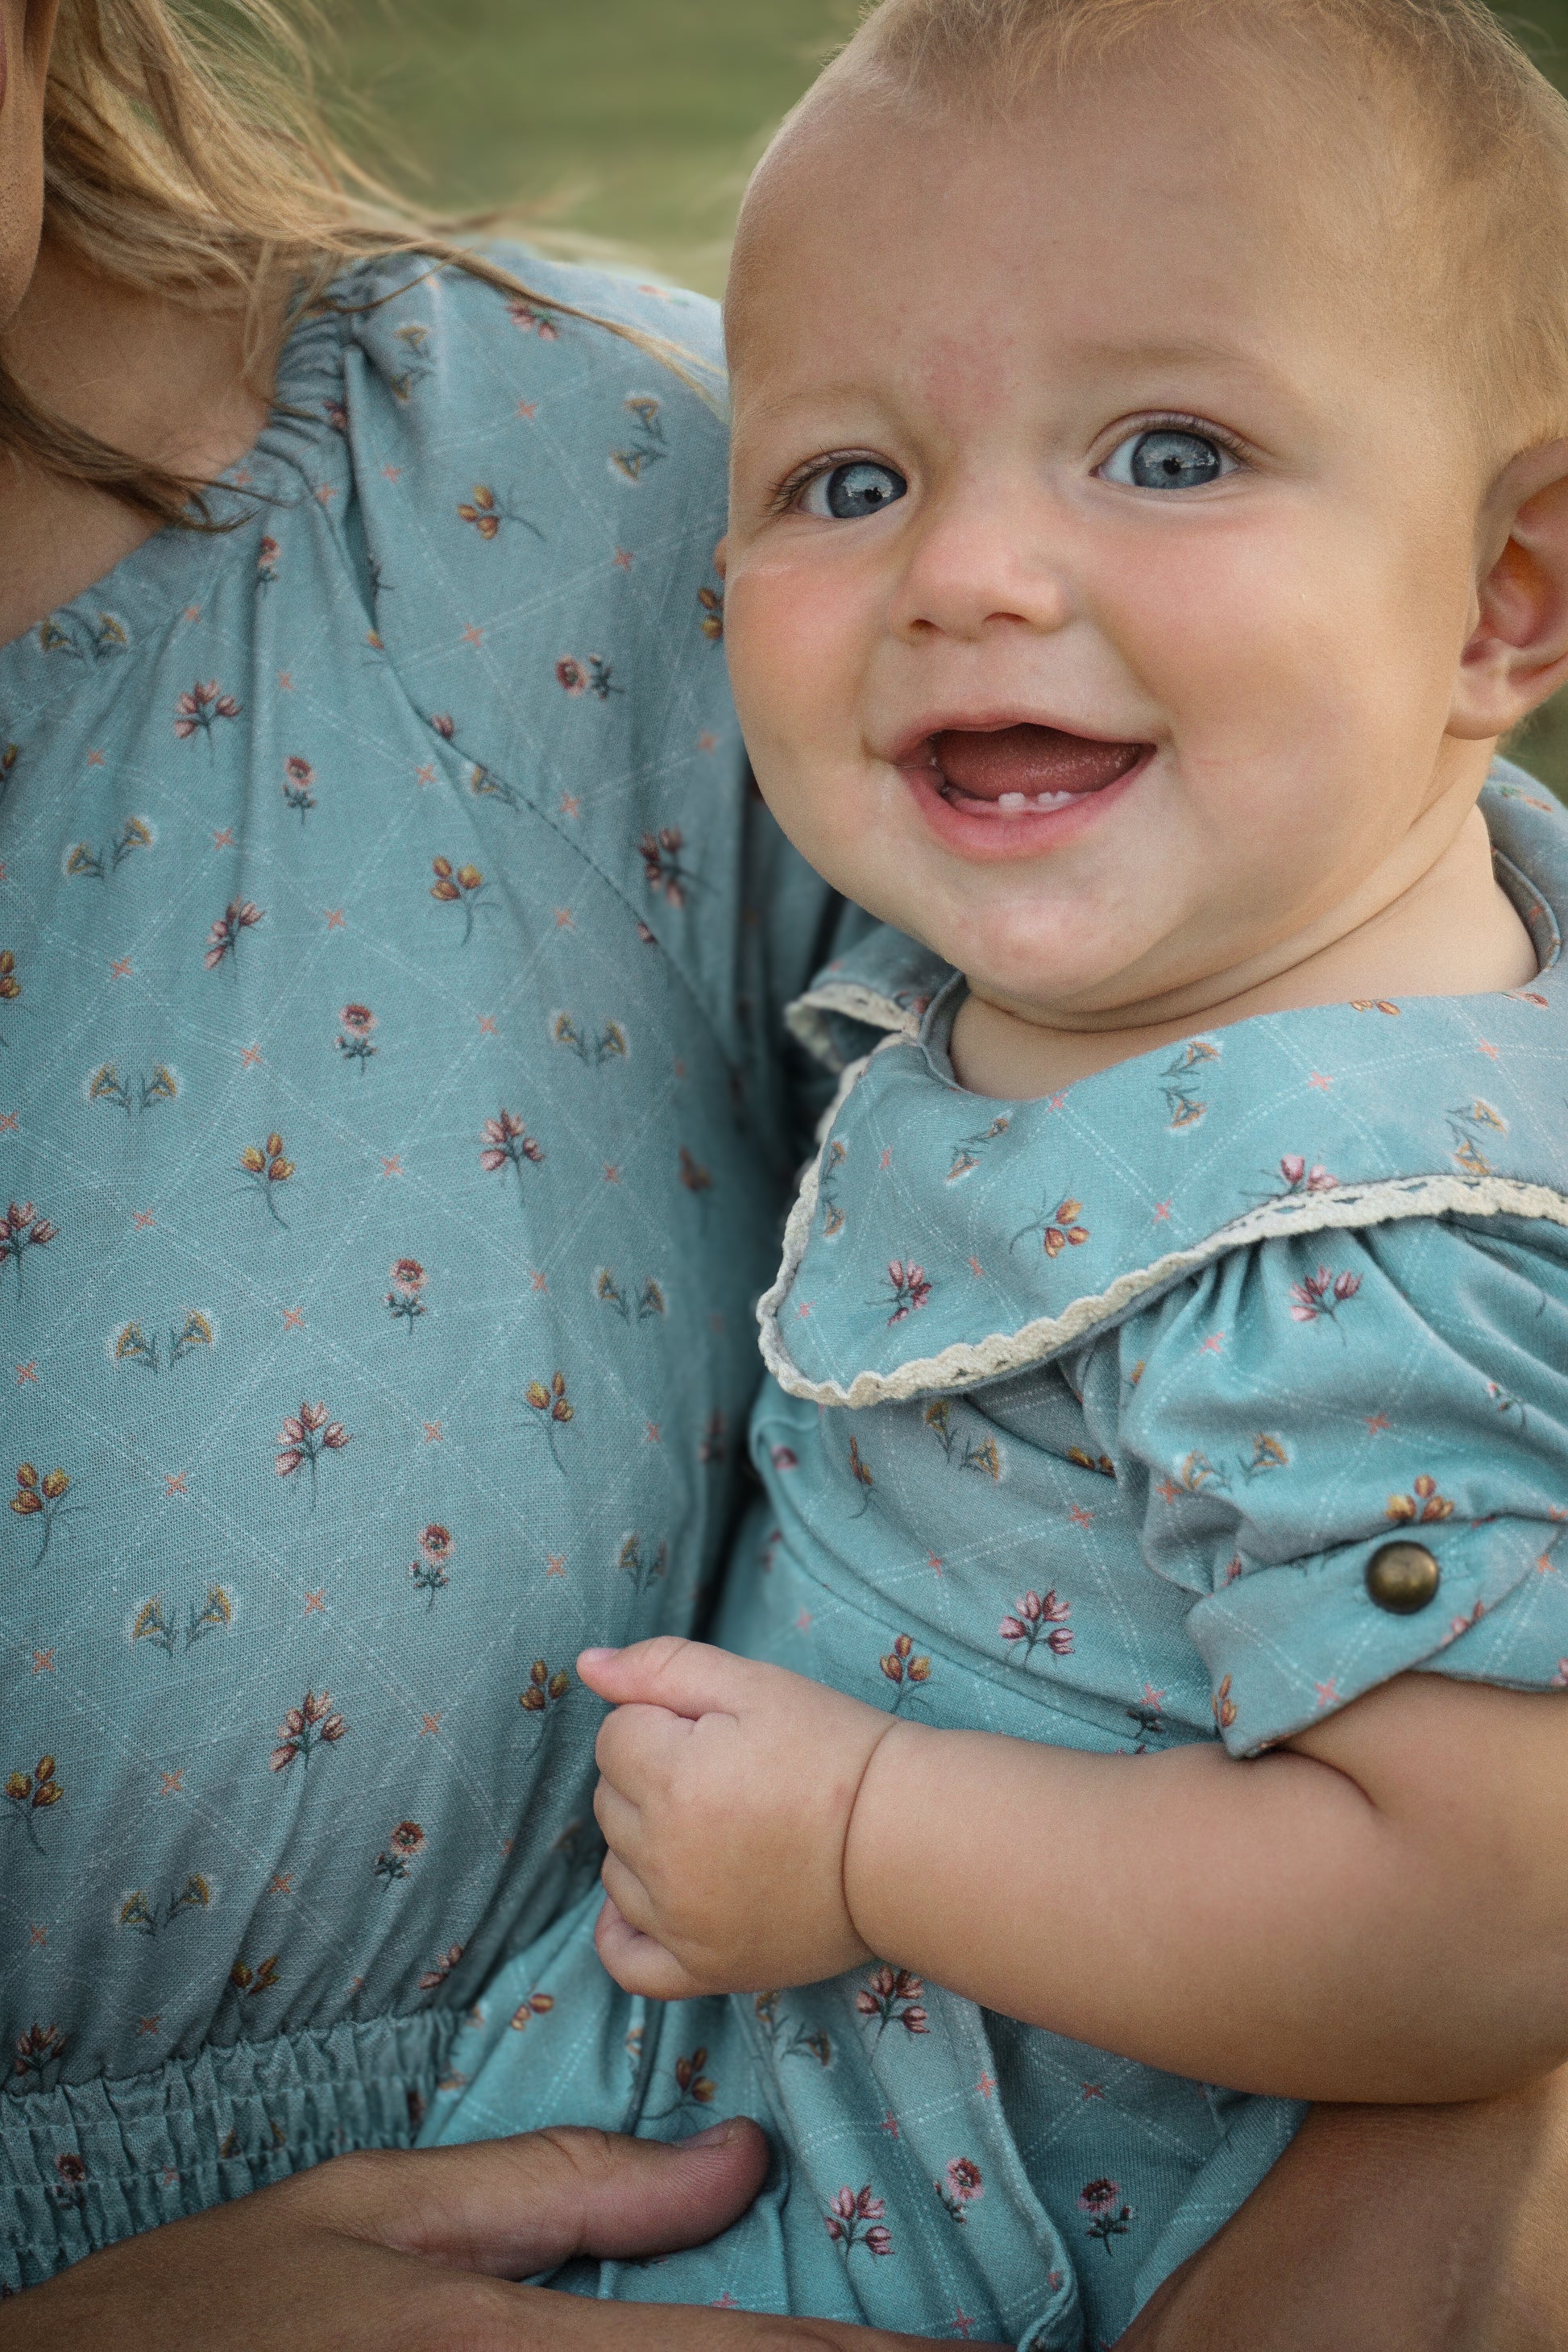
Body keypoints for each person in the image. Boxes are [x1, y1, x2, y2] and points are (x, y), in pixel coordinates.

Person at [2, 5, 1567, 2349]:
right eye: (844, 482)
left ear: (1501, 600)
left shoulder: (1334, 1229)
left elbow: (1495, 1923)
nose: (971, 570)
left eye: (1168, 448)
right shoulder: (1084, 1013)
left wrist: (858, 1841)